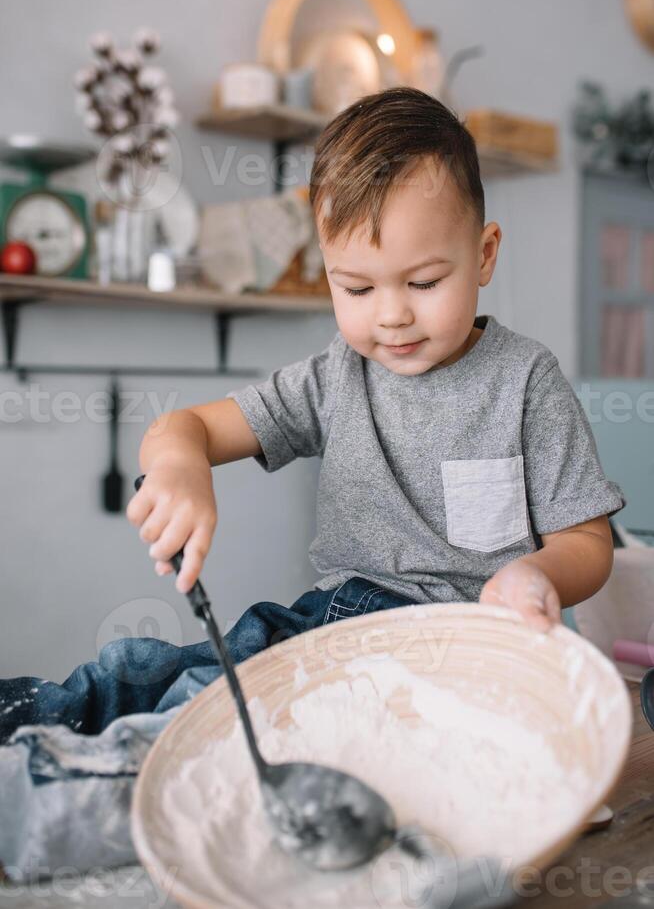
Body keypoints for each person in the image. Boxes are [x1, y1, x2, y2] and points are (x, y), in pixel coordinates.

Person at [0, 87, 624, 741]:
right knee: (153, 671)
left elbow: (588, 542)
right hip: (330, 624)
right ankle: (38, 717)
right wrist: (180, 466)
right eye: (355, 287)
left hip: (465, 653)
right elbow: (183, 427)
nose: (391, 314)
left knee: (206, 715)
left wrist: (534, 574)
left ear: (485, 255)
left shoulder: (526, 381)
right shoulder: (336, 377)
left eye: (424, 283)